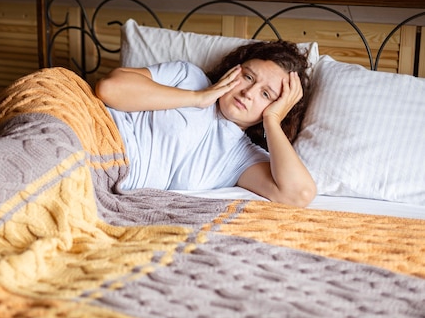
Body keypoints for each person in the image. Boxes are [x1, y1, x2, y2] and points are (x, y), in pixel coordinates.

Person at [95, 40, 317, 208]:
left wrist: (273, 120)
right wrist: (197, 97)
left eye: (266, 94)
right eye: (248, 77)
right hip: (92, 134)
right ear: (235, 68)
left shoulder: (240, 157)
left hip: (101, 182)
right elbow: (109, 89)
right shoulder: (189, 77)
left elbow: (299, 194)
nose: (248, 93)